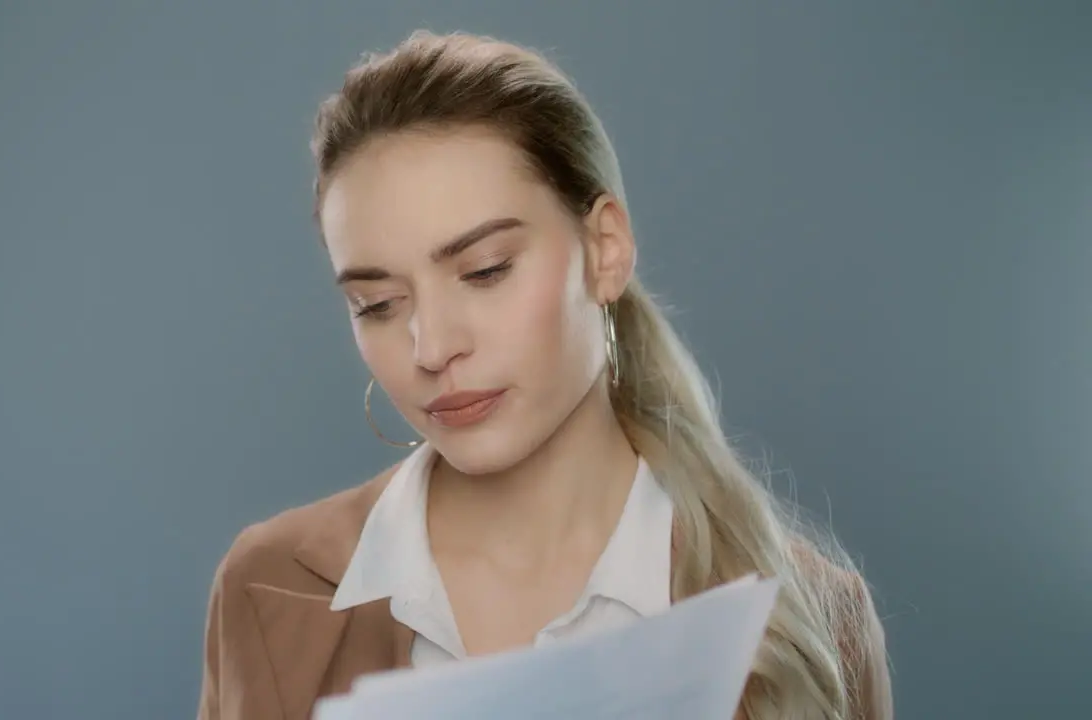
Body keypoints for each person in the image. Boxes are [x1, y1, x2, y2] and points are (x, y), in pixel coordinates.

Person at [196, 30, 892, 720]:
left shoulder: (814, 624)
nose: (431, 346)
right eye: (376, 304)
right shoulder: (269, 586)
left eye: (486, 271)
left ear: (604, 249)